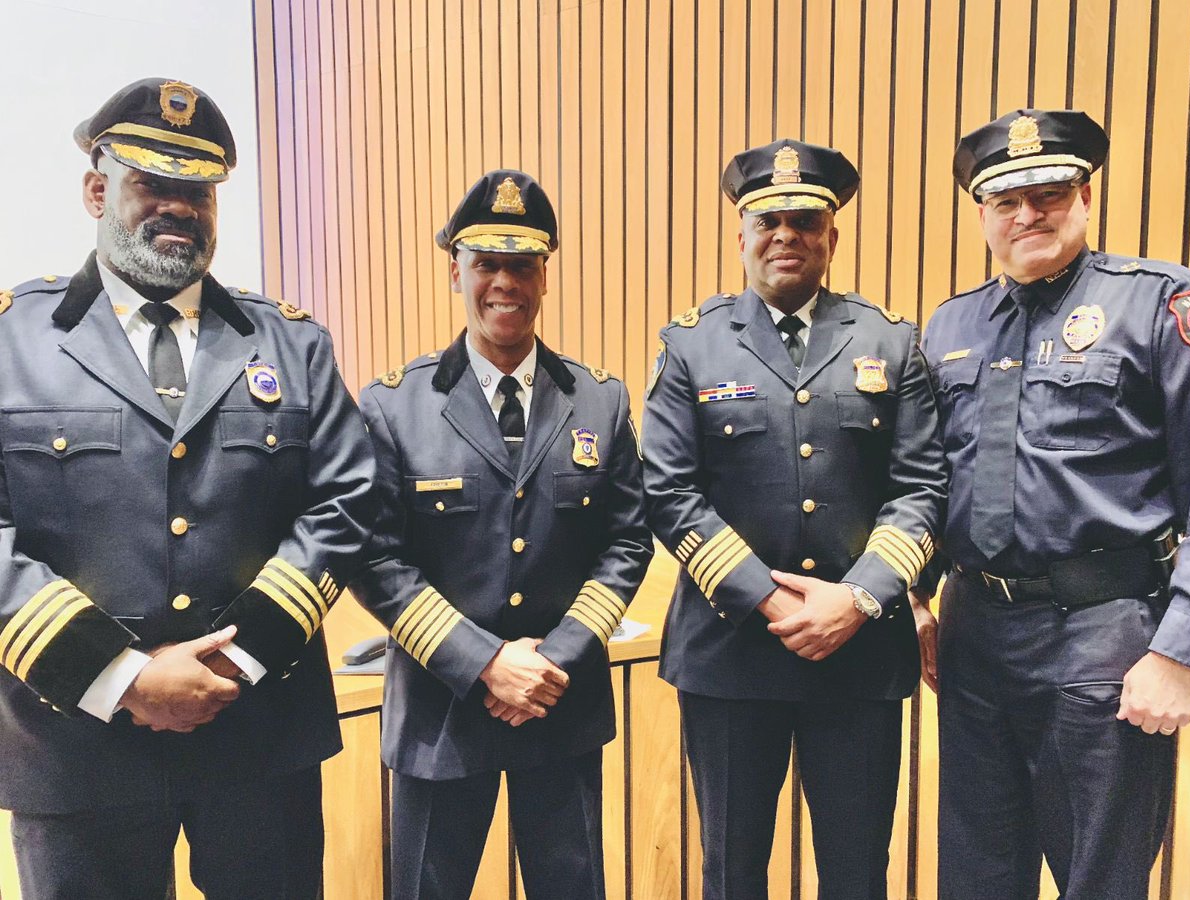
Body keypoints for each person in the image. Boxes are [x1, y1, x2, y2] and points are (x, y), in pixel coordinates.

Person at [0, 77, 376, 899]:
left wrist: (235, 658)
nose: (177, 206)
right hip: (76, 744)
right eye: (151, 182)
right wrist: (124, 678)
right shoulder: (12, 342)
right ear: (97, 190)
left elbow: (348, 502)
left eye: (197, 189)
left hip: (259, 736)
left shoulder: (292, 343)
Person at [640, 139, 946, 900]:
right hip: (731, 652)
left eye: (805, 220)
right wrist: (771, 600)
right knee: (732, 870)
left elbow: (922, 488)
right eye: (768, 220)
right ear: (741, 236)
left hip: (860, 653)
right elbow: (669, 492)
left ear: (831, 236)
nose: (786, 235)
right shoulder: (691, 344)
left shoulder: (891, 341)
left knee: (855, 870)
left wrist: (860, 597)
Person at [351, 169, 653, 900]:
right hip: (440, 708)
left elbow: (627, 543)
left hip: (560, 700)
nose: (505, 283)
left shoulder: (600, 400)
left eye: (522, 264)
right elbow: (373, 557)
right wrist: (485, 662)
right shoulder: (395, 406)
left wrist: (557, 658)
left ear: (545, 274)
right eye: (487, 263)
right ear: (456, 269)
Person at [924, 108, 1190, 899]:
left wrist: (1180, 649)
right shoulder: (953, 325)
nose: (1027, 215)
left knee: (1099, 879)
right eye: (1005, 201)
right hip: (975, 635)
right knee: (977, 874)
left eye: (1046, 193)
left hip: (1105, 636)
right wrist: (911, 596)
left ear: (1083, 195)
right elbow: (933, 482)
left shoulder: (1157, 304)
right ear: (982, 214)